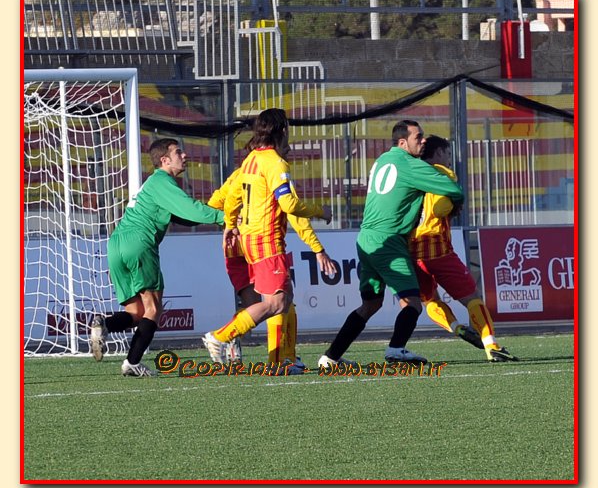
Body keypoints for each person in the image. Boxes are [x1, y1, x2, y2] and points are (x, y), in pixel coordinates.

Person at [318, 120, 464, 368]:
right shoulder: (411, 164)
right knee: (413, 302)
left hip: (366, 238)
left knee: (371, 304)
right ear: (402, 142)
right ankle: (396, 350)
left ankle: (330, 357)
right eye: (418, 137)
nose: (423, 140)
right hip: (389, 241)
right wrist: (455, 201)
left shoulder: (383, 160)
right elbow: (453, 189)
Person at [202, 108, 334, 375]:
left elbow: (230, 197)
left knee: (283, 299)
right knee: (275, 303)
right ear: (282, 130)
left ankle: (283, 360)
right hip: (266, 241)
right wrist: (320, 211)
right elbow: (290, 205)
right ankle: (221, 336)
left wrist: (230, 224)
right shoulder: (275, 163)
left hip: (246, 241)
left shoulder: (250, 160)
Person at [90, 138, 224, 376]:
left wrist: (214, 217)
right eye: (178, 152)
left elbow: (182, 216)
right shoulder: (162, 181)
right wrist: (224, 217)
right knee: (153, 308)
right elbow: (191, 208)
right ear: (165, 160)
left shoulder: (153, 184)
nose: (184, 156)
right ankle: (132, 363)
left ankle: (104, 325)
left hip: (117, 244)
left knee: (137, 313)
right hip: (139, 243)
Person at [409, 134, 518, 362]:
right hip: (438, 249)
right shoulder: (442, 172)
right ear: (439, 153)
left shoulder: (409, 173)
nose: (449, 159)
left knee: (430, 301)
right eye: (448, 154)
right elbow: (439, 209)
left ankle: (457, 328)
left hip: (411, 252)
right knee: (472, 298)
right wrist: (452, 203)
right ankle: (492, 346)